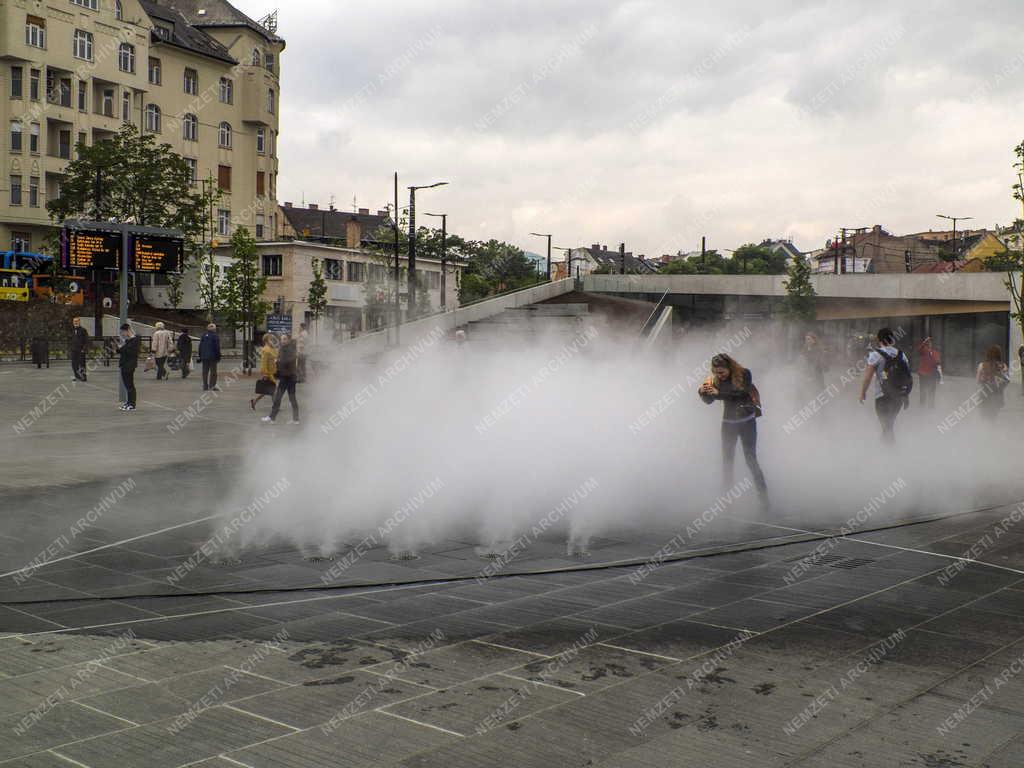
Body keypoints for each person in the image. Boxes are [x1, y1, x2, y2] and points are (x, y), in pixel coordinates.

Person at [698, 353, 769, 509]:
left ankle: (763, 498)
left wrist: (718, 394)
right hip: (728, 423)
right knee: (727, 461)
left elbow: (741, 394)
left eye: (722, 372)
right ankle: (726, 502)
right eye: (716, 372)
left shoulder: (744, 374)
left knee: (751, 459)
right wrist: (702, 392)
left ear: (729, 368)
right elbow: (709, 401)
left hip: (746, 422)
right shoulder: (714, 380)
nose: (719, 375)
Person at [859, 327, 912, 443]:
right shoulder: (902, 355)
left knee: (886, 426)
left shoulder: (875, 355)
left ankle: (889, 452)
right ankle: (888, 452)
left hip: (882, 396)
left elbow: (867, 378)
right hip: (898, 396)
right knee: (889, 425)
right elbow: (907, 377)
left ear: (879, 340)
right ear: (892, 339)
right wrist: (906, 395)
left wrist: (863, 392)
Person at [263, 333, 299, 424]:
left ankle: (273, 418)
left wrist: (278, 361)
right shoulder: (284, 348)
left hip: (289, 377)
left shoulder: (290, 349)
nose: (282, 341)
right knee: (284, 398)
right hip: (286, 376)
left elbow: (288, 361)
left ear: (289, 340)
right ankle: (294, 419)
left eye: (285, 339)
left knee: (286, 398)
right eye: (282, 339)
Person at [977, 345, 1011, 421]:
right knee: (993, 418)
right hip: (998, 396)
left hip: (985, 395)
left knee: (984, 418)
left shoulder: (981, 365)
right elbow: (1007, 380)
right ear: (999, 354)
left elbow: (978, 380)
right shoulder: (1003, 366)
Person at [251, 333, 279, 411]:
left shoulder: (271, 348)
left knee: (268, 390)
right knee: (273, 389)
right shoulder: (265, 350)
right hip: (268, 373)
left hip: (272, 371)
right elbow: (263, 362)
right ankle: (275, 406)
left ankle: (255, 401)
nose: (273, 341)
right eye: (271, 339)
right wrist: (265, 374)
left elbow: (276, 356)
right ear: (267, 340)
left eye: (273, 340)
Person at [117, 323, 140, 411]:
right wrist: (120, 348)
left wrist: (122, 348)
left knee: (130, 385)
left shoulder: (135, 340)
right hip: (125, 364)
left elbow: (131, 352)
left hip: (129, 365)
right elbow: (122, 350)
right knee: (127, 385)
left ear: (127, 330)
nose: (122, 334)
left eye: (123, 332)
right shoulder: (129, 340)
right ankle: (128, 402)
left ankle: (132, 404)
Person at [916, 337, 943, 408]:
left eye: (930, 342)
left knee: (931, 391)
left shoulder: (935, 352)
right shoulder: (923, 350)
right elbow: (919, 349)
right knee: (923, 390)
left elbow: (938, 364)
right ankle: (922, 405)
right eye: (928, 342)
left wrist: (940, 378)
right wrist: (924, 341)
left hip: (932, 375)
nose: (929, 344)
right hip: (923, 374)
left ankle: (931, 406)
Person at [198, 323, 221, 392]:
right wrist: (218, 356)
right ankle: (212, 385)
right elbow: (217, 347)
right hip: (213, 356)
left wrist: (200, 355)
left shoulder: (204, 335)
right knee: (213, 372)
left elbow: (200, 346)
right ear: (214, 329)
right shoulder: (215, 336)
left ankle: (205, 385)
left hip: (204, 356)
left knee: (205, 371)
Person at [70, 317, 89, 381]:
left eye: (76, 321)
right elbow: (71, 340)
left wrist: (84, 349)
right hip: (73, 350)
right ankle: (77, 376)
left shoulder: (83, 330)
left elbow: (86, 340)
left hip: (81, 350)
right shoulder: (72, 330)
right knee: (74, 364)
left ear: (79, 322)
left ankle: (84, 377)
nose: (75, 322)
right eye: (74, 321)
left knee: (82, 364)